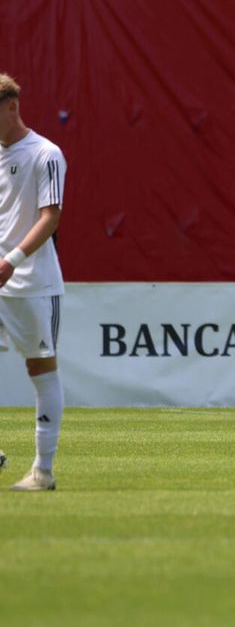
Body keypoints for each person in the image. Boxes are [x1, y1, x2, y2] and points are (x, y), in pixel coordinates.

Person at [0, 73, 67, 491]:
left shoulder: (46, 154)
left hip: (31, 283)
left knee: (40, 369)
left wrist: (12, 259)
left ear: (11, 107)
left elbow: (51, 216)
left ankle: (42, 470)